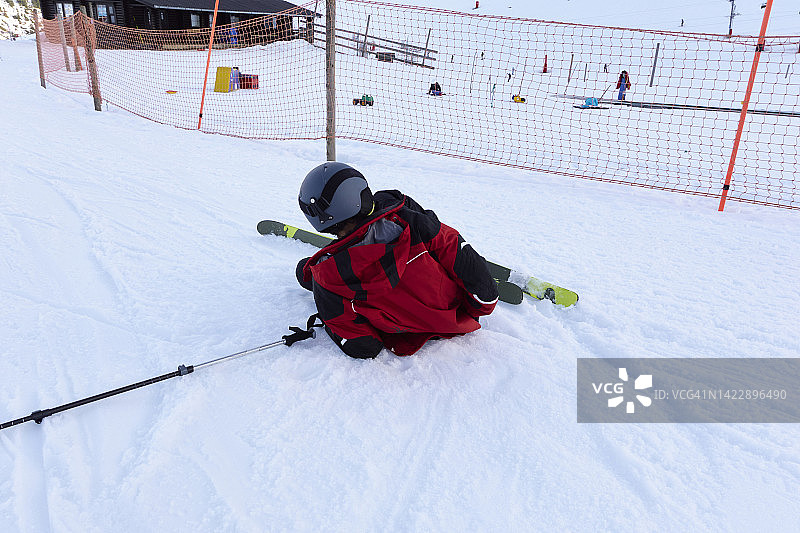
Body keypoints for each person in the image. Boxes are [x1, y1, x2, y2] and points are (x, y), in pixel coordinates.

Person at [295, 162, 499, 359]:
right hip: (457, 318)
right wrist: (476, 307)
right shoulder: (411, 220)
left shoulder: (328, 276)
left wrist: (327, 314)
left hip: (404, 331)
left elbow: (364, 346)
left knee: (305, 272)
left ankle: (320, 271)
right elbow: (485, 295)